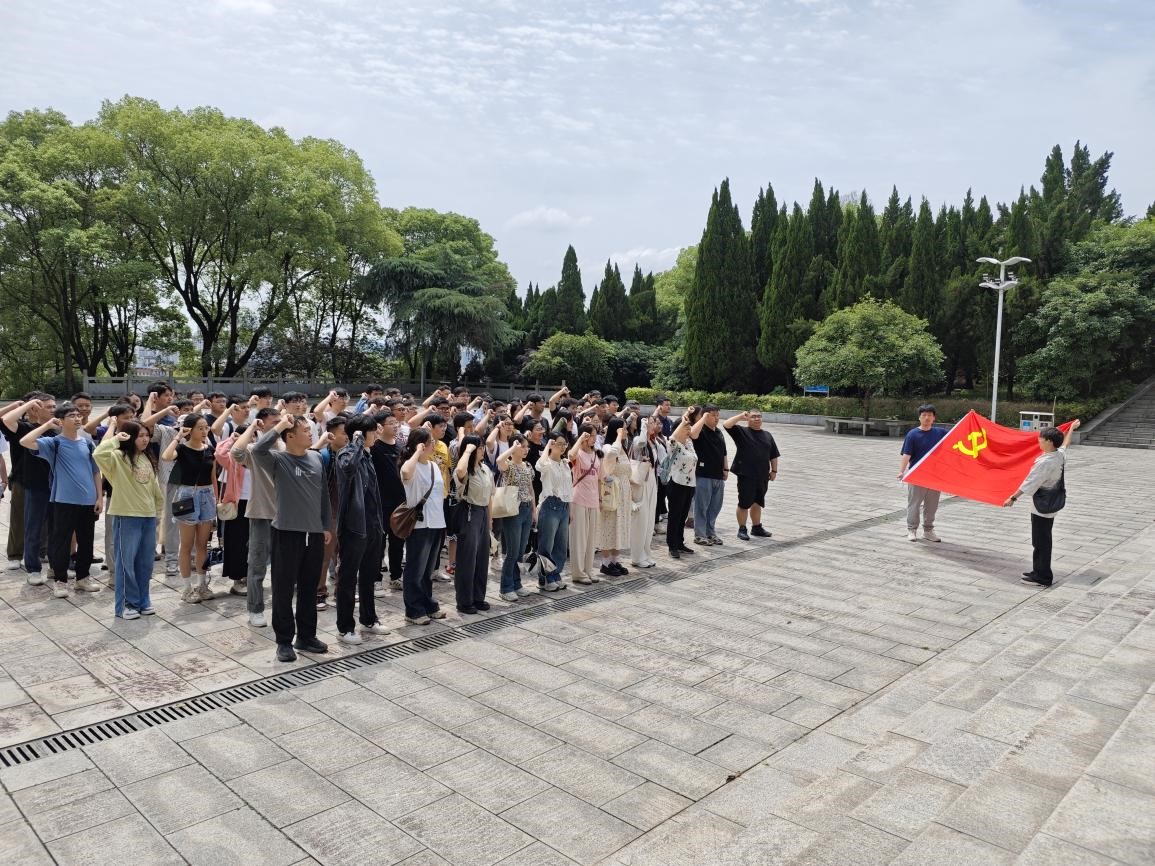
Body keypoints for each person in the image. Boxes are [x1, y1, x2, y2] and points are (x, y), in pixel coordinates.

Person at [252, 413, 331, 661]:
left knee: (309, 587)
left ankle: (306, 636)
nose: (310, 434)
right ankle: (284, 641)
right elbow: (257, 450)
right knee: (283, 589)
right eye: (305, 430)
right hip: (286, 533)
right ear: (290, 436)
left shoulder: (316, 458)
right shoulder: (278, 459)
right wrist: (279, 426)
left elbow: (323, 495)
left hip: (314, 533)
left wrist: (326, 525)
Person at [19, 402, 102, 598]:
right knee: (60, 542)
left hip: (88, 500)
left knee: (86, 542)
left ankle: (83, 578)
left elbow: (95, 471)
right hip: (63, 500)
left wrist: (99, 497)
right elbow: (25, 441)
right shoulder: (53, 443)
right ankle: (60, 581)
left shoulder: (87, 443)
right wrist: (47, 425)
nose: (77, 418)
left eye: (78, 415)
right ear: (61, 421)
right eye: (72, 416)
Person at [94, 418, 164, 618]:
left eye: (147, 435)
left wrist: (158, 512)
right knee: (126, 563)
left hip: (148, 516)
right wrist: (117, 438)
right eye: (140, 435)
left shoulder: (146, 458)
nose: (145, 439)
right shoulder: (118, 457)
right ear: (130, 437)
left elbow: (154, 489)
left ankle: (143, 600)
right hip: (127, 516)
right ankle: (127, 605)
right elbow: (98, 454)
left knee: (145, 563)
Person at [333, 414, 391, 643]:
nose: (376, 434)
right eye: (372, 431)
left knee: (368, 575)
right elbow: (348, 468)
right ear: (359, 434)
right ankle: (345, 627)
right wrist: (357, 441)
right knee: (348, 578)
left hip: (372, 525)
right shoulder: (346, 454)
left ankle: (369, 619)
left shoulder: (367, 455)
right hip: (354, 526)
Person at [1003, 421, 1080, 587]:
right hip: (1051, 503)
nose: (1039, 440)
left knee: (1040, 542)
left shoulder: (1046, 462)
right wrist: (1072, 429)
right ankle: (1038, 571)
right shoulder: (1058, 455)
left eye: (1041, 438)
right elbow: (1066, 444)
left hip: (1043, 506)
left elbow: (1030, 482)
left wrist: (1013, 498)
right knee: (1043, 539)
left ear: (1049, 442)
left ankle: (1042, 577)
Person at [231, 408, 281, 628]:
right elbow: (236, 452)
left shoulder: (287, 448)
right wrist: (251, 426)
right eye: (273, 423)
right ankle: (255, 608)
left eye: (280, 422)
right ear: (262, 424)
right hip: (261, 514)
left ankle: (281, 607)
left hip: (286, 516)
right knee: (257, 565)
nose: (278, 426)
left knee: (284, 567)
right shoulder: (255, 450)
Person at [162, 413, 218, 603]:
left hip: (207, 496)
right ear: (190, 430)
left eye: (206, 428)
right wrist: (178, 436)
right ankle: (186, 588)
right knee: (186, 545)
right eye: (200, 428)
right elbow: (166, 457)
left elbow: (213, 477)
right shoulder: (182, 448)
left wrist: (216, 499)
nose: (204, 431)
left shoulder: (210, 449)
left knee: (202, 545)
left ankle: (202, 585)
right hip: (187, 495)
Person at [2, 394, 56, 576]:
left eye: (53, 406)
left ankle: (45, 555)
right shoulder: (24, 428)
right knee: (24, 521)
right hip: (25, 479)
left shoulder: (57, 429)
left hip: (52, 483)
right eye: (48, 406)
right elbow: (6, 420)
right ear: (34, 409)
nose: (52, 409)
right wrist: (26, 404)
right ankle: (18, 557)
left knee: (49, 524)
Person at [399, 428, 448, 625]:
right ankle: (413, 610)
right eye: (429, 442)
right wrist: (417, 452)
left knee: (427, 570)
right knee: (415, 569)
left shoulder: (434, 466)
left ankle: (428, 604)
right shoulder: (410, 465)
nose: (433, 445)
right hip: (419, 524)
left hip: (437, 522)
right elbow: (405, 472)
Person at [452, 434, 495, 613]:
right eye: (479, 447)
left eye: (482, 446)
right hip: (470, 512)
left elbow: (490, 496)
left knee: (482, 558)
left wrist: (490, 520)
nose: (482, 450)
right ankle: (464, 601)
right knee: (467, 558)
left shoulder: (485, 468)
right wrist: (468, 451)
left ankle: (478, 597)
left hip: (483, 512)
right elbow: (460, 470)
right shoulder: (465, 469)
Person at [723, 410, 781, 540]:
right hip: (746, 474)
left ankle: (756, 527)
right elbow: (726, 424)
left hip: (762, 474)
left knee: (758, 502)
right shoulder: (741, 432)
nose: (756, 419)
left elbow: (773, 455)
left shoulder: (767, 435)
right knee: (744, 503)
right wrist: (740, 416)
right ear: (748, 419)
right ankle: (742, 529)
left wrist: (774, 471)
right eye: (753, 416)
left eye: (759, 416)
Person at [899, 403, 948, 542]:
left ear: (934, 418)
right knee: (914, 504)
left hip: (935, 475)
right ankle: (912, 529)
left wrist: (969, 417)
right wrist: (901, 471)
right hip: (917, 475)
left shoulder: (940, 433)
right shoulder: (913, 434)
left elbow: (958, 434)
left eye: (930, 415)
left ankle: (928, 531)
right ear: (919, 418)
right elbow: (906, 454)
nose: (927, 418)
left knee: (932, 505)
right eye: (924, 415)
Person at [496, 434, 536, 600]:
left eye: (527, 447)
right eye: (523, 446)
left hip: (526, 509)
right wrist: (512, 447)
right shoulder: (509, 465)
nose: (526, 449)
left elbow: (530, 489)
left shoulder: (528, 466)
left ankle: (517, 584)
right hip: (513, 509)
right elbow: (499, 461)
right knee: (512, 551)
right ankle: (506, 588)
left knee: (521, 550)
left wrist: (534, 510)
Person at [371, 412, 405, 592]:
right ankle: (375, 578)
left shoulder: (401, 448)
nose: (395, 425)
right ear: (380, 427)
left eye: (396, 422)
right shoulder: (375, 448)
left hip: (400, 504)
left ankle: (396, 576)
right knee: (379, 542)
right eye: (390, 423)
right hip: (380, 503)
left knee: (398, 541)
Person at [534, 432, 572, 591]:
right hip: (550, 504)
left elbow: (568, 487)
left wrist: (570, 510)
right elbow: (539, 466)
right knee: (546, 545)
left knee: (561, 546)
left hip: (564, 506)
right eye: (559, 443)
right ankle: (545, 578)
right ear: (552, 444)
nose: (562, 447)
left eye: (565, 444)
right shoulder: (547, 462)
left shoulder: (565, 463)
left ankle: (556, 574)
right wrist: (547, 447)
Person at [597, 418, 632, 577]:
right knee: (609, 526)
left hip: (623, 492)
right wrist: (618, 436)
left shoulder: (623, 448)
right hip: (612, 493)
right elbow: (612, 454)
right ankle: (605, 563)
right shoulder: (608, 447)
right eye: (623, 429)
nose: (626, 432)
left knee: (620, 526)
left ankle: (615, 560)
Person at [568, 424, 602, 585]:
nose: (594, 438)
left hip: (593, 500)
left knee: (591, 539)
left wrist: (600, 499)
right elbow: (570, 455)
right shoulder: (578, 453)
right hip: (579, 499)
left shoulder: (596, 454)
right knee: (579, 538)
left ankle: (588, 570)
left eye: (595, 435)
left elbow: (599, 479)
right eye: (592, 435)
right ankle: (578, 572)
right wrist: (580, 438)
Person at [628, 414, 664, 569]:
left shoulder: (654, 441)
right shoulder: (639, 439)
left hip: (651, 481)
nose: (653, 425)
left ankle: (646, 553)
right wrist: (643, 427)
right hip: (639, 482)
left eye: (653, 422)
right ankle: (637, 556)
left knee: (649, 521)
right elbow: (640, 442)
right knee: (640, 521)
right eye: (649, 422)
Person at [690, 404, 728, 546]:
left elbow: (724, 452)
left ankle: (710, 532)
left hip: (718, 475)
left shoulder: (718, 432)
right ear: (705, 416)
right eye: (713, 415)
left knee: (715, 506)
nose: (716, 418)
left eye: (718, 415)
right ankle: (699, 535)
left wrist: (726, 469)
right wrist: (703, 418)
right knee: (701, 506)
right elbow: (692, 434)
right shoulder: (700, 430)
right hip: (703, 475)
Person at [664, 407, 699, 559]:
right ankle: (672, 545)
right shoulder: (673, 444)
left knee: (683, 515)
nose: (689, 430)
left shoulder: (689, 443)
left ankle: (680, 542)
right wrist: (684, 418)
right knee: (675, 516)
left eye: (689, 427)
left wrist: (688, 416)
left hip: (690, 484)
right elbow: (673, 437)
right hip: (676, 483)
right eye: (686, 427)